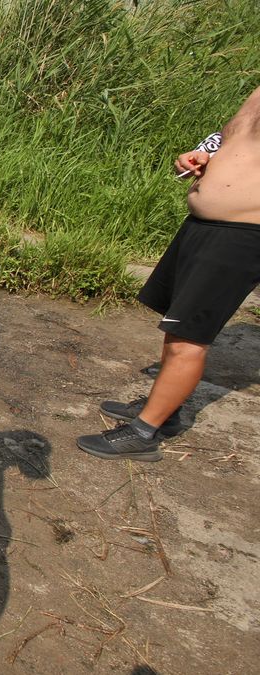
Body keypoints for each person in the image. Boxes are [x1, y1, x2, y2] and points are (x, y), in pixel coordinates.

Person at [78, 84, 260, 462]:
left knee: (189, 338)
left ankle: (144, 432)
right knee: (176, 325)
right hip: (206, 228)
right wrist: (203, 153)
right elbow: (231, 135)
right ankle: (168, 409)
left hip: (243, 236)